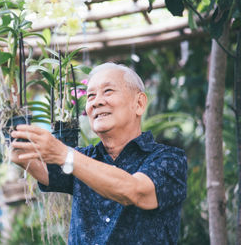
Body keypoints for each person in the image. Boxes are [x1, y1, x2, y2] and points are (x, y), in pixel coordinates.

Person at [10, 62, 187, 244]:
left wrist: (65, 154)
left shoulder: (170, 160)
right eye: (91, 96)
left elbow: (135, 191)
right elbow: (44, 170)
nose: (97, 102)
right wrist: (19, 144)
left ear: (139, 103)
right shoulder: (84, 158)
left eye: (108, 91)